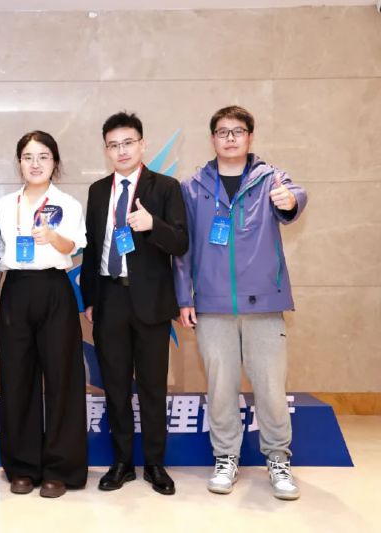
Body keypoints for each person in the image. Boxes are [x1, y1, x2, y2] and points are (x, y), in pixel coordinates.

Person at [173, 105, 307, 500]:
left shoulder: (270, 179)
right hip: (212, 306)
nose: (230, 138)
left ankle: (278, 459)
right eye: (222, 131)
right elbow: (182, 249)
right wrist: (183, 297)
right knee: (220, 389)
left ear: (250, 136)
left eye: (237, 131)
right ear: (212, 138)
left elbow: (295, 196)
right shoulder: (193, 186)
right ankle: (225, 458)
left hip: (263, 305)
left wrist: (290, 199)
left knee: (270, 388)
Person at [80, 111, 188, 496]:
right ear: (106, 150)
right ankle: (122, 462)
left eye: (128, 143)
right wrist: (90, 299)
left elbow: (180, 242)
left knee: (153, 387)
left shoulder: (166, 187)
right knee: (115, 386)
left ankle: (155, 464)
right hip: (109, 298)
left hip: (151, 302)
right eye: (113, 145)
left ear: (143, 145)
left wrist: (153, 225)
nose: (121, 150)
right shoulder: (97, 191)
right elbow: (92, 249)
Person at [0, 131, 88, 498]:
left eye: (43, 156)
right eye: (28, 157)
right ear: (19, 162)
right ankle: (22, 467)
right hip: (15, 289)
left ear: (55, 163)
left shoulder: (68, 203)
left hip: (54, 289)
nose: (35, 164)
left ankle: (60, 469)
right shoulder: (4, 205)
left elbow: (73, 246)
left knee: (62, 379)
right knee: (17, 379)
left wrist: (52, 236)